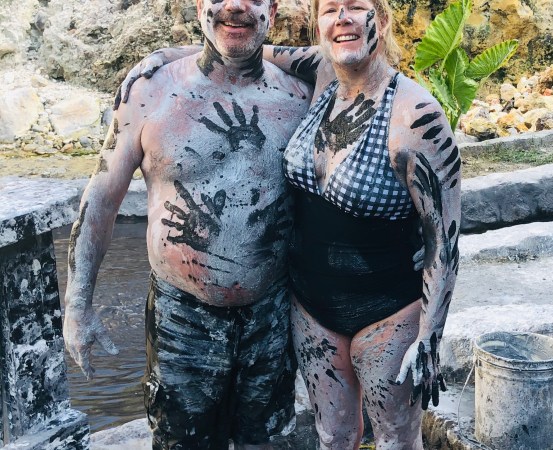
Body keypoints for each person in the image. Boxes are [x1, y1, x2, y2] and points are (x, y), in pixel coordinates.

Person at [125, 0, 461, 447]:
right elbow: (244, 43)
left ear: (381, 20)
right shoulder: (320, 74)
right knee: (332, 436)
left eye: (356, 7)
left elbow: (444, 240)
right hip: (311, 309)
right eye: (330, 9)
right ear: (317, 24)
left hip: (387, 309)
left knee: (397, 439)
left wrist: (430, 336)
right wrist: (165, 57)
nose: (342, 18)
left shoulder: (416, 115)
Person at [62, 1, 311, 449]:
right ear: (200, 7)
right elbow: (100, 200)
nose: (235, 5)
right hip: (181, 319)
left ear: (271, 11)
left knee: (267, 442)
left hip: (272, 315)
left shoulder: (302, 95)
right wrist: (78, 306)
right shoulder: (149, 92)